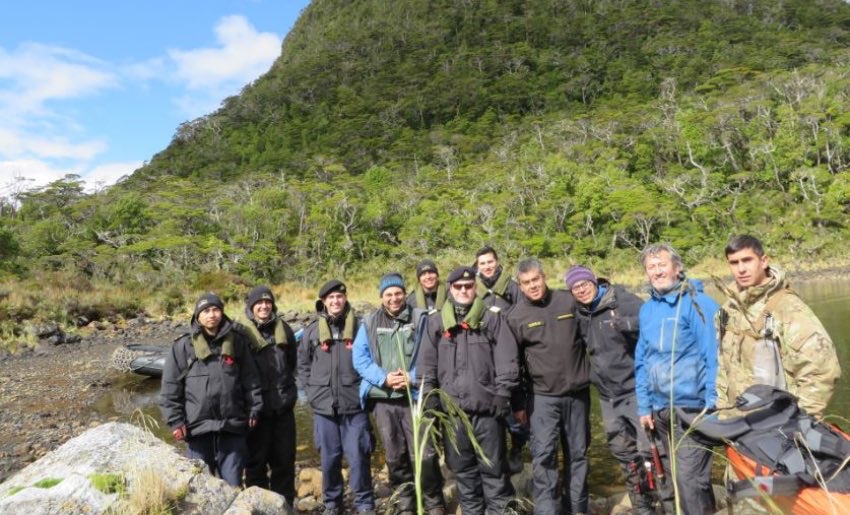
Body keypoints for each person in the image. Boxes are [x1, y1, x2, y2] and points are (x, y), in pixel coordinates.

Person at [419, 266, 520, 514]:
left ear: (475, 287)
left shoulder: (493, 319)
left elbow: (508, 361)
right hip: (454, 416)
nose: (464, 290)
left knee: (495, 473)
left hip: (487, 413)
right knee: (465, 475)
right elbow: (426, 366)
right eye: (458, 286)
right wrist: (430, 400)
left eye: (468, 286)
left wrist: (503, 394)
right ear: (450, 289)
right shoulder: (435, 323)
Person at [715, 235, 841, 418]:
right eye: (734, 263)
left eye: (747, 260)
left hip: (779, 425)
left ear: (764, 261)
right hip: (737, 426)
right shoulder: (727, 311)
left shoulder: (788, 308)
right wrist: (723, 416)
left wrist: (801, 420)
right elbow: (723, 370)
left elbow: (822, 371)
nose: (741, 269)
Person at [635, 243, 719, 514]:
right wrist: (644, 406)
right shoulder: (647, 310)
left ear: (677, 267)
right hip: (661, 411)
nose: (657, 272)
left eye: (662, 265)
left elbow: (714, 356)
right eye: (651, 267)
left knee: (690, 481)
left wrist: (712, 403)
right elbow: (642, 360)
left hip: (693, 409)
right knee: (674, 477)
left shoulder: (698, 303)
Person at [353, 273, 447, 515]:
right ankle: (406, 503)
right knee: (395, 455)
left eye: (398, 293)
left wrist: (412, 376)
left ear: (405, 294)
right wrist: (384, 377)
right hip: (384, 400)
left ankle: (434, 501)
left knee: (425, 453)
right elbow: (360, 359)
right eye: (388, 294)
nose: (394, 298)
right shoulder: (370, 322)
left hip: (416, 397)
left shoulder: (421, 319)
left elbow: (434, 353)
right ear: (381, 298)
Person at [567, 265, 655, 514]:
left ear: (594, 281)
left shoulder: (623, 301)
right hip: (607, 395)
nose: (581, 289)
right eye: (575, 287)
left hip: (635, 389)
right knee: (622, 451)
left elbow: (653, 326)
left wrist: (628, 324)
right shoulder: (580, 312)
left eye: (584, 283)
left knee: (648, 449)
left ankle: (662, 499)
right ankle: (641, 504)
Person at [506, 259, 590, 515]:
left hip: (578, 395)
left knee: (578, 456)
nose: (533, 286)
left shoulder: (568, 301)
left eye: (536, 279)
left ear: (544, 277)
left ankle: (577, 509)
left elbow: (590, 337)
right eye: (526, 282)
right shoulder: (516, 316)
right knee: (544, 458)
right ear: (520, 286)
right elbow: (514, 364)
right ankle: (547, 511)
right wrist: (518, 404)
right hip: (541, 399)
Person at [160, 292, 262, 487]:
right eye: (206, 311)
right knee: (200, 487)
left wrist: (254, 409)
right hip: (197, 430)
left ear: (222, 313)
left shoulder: (237, 341)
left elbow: (250, 380)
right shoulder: (183, 346)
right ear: (197, 316)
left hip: (232, 428)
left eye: (216, 310)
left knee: (232, 486)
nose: (212, 315)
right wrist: (175, 421)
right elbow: (170, 388)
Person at [299, 280, 376, 515]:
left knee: (358, 457)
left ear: (345, 299)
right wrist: (311, 393)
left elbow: (372, 361)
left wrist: (367, 391)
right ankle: (332, 502)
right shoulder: (312, 331)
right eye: (330, 298)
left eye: (339, 297)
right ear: (323, 302)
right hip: (323, 407)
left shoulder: (361, 327)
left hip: (354, 405)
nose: (335, 302)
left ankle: (364, 502)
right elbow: (302, 365)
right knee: (329, 459)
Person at [238, 286, 298, 506]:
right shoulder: (240, 334)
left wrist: (288, 395)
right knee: (255, 465)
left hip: (283, 410)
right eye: (259, 303)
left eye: (268, 302)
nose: (264, 306)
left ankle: (285, 506)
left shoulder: (285, 330)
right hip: (256, 414)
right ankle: (260, 508)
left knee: (284, 463)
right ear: (251, 307)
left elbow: (292, 363)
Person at [474, 245, 520, 311]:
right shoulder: (472, 288)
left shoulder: (512, 286)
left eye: (490, 262)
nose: (487, 267)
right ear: (478, 266)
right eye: (482, 263)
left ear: (497, 262)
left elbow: (522, 312)